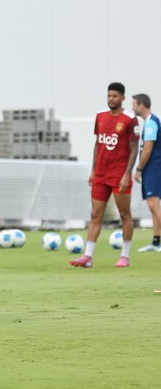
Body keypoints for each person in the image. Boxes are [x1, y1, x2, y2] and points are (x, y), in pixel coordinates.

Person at [71, 82, 139, 268]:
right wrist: (93, 170)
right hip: (101, 173)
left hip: (119, 174)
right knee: (95, 214)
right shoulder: (100, 116)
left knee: (124, 214)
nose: (111, 99)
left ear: (123, 98)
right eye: (109, 96)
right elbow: (97, 143)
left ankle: (124, 256)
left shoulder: (130, 119)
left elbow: (133, 149)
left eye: (115, 96)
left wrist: (127, 174)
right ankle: (87, 257)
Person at [132, 94, 161, 252]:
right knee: (154, 206)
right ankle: (156, 243)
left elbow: (148, 148)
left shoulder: (151, 123)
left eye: (134, 104)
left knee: (153, 204)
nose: (132, 107)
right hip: (152, 169)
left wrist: (138, 169)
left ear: (141, 105)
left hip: (154, 168)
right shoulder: (149, 122)